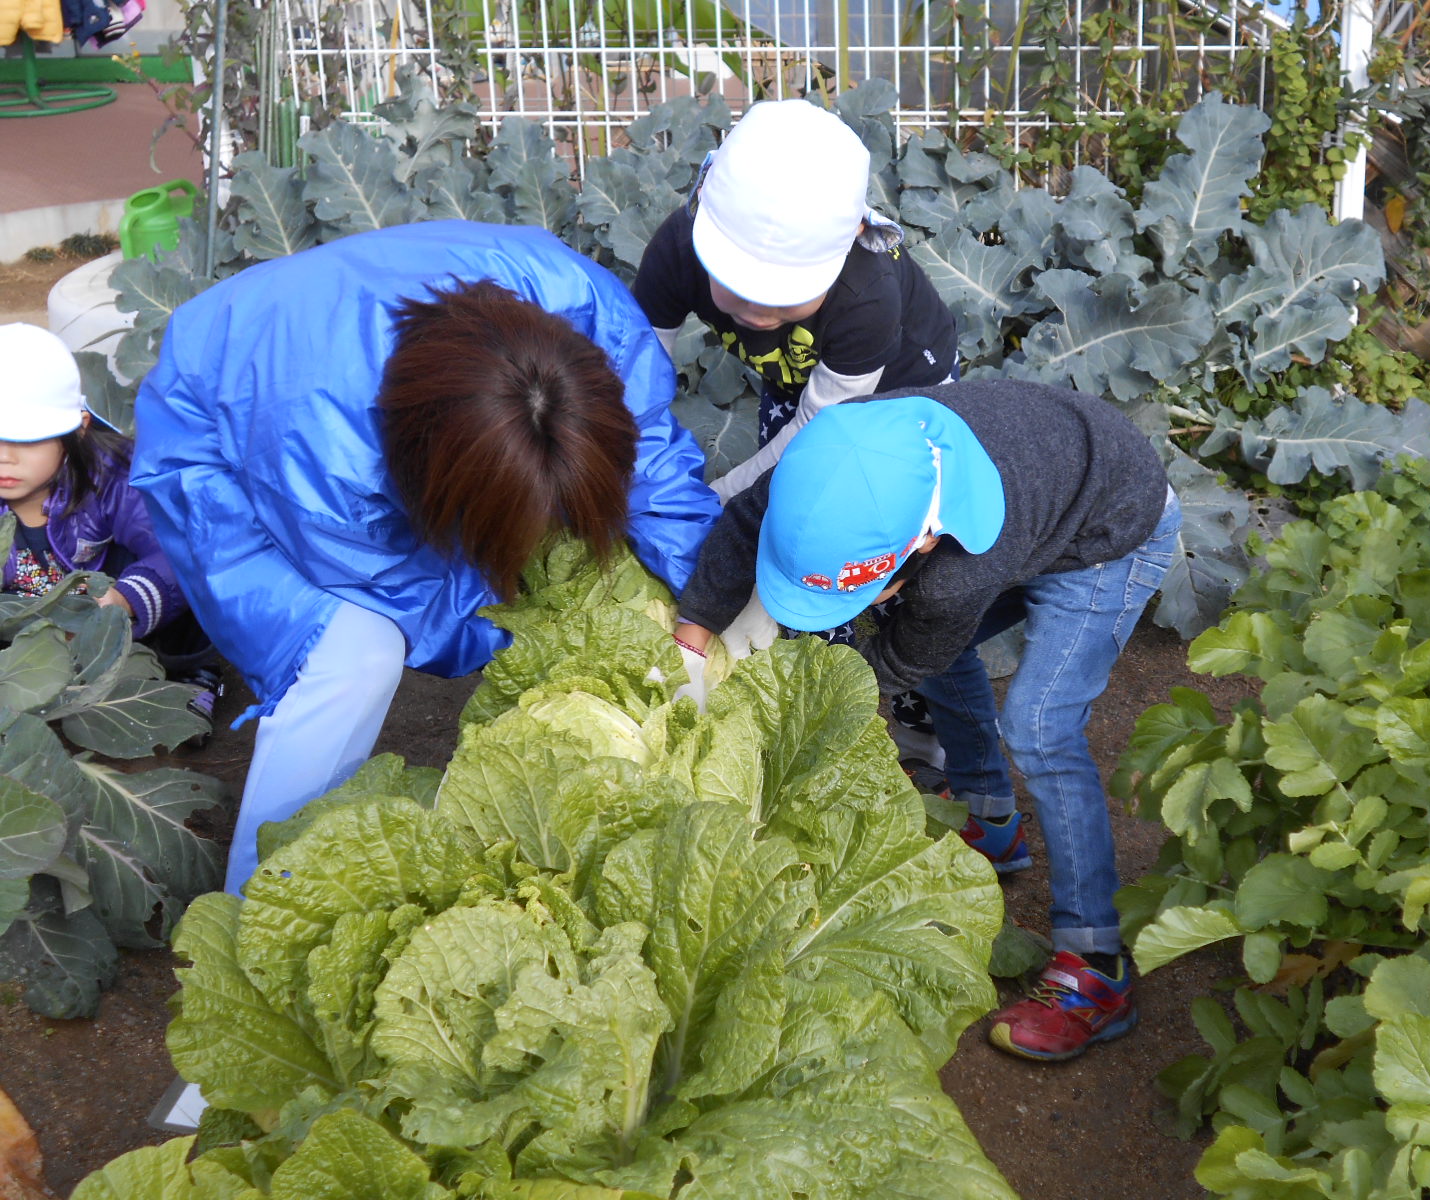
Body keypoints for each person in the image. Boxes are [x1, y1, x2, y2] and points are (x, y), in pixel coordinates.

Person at [132, 220, 724, 895]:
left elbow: (649, 453)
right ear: (428, 478)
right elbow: (416, 602)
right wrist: (538, 644)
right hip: (215, 437)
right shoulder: (328, 468)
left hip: (322, 351)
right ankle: (267, 893)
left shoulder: (587, 304)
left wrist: (708, 591)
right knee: (354, 656)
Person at [673, 381, 1181, 1063]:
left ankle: (1097, 967)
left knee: (1039, 726)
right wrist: (694, 629)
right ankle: (991, 822)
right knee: (936, 640)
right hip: (1043, 486)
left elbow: (895, 666)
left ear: (917, 547)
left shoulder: (955, 576)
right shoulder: (827, 462)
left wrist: (804, 730)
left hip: (1110, 528)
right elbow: (746, 523)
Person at [632, 97, 962, 766]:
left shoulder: (867, 293)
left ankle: (932, 732)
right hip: (798, 383)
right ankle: (810, 701)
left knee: (900, 580)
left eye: (783, 298)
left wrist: (719, 501)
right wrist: (636, 480)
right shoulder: (679, 247)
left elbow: (820, 434)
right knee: (783, 545)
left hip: (899, 396)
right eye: (737, 290)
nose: (756, 313)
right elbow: (634, 369)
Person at [0, 323, 220, 731]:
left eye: (26, 439)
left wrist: (125, 601)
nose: (5, 457)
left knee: (188, 561)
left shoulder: (113, 475)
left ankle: (192, 676)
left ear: (78, 427)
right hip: (30, 632)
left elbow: (173, 550)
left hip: (118, 615)